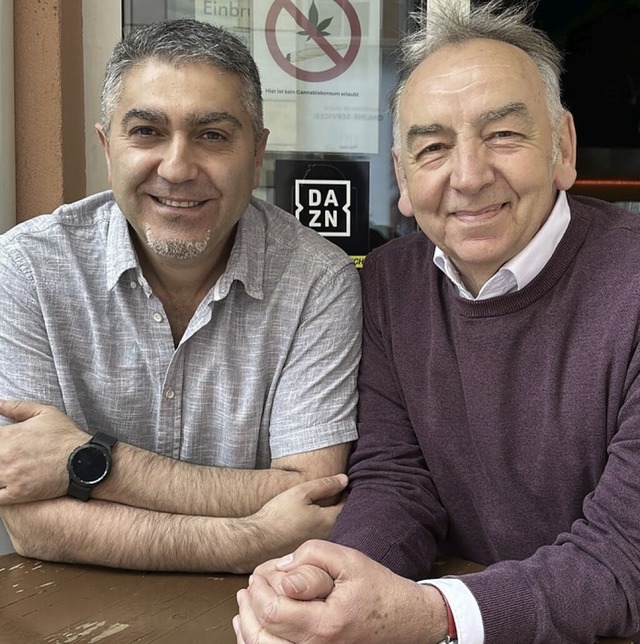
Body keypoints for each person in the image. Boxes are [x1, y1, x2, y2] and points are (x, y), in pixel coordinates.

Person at [233, 1, 640, 641]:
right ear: (403, 175)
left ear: (563, 147)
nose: (469, 176)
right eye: (432, 147)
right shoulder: (391, 282)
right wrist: (334, 588)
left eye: (503, 135)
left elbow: (626, 557)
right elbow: (397, 482)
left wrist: (430, 616)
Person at [0, 19, 362, 573]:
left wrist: (90, 464)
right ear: (107, 146)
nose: (177, 167)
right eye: (146, 131)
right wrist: (251, 538)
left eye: (212, 135)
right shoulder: (25, 269)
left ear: (257, 151)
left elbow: (310, 496)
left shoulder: (318, 280)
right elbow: (32, 522)